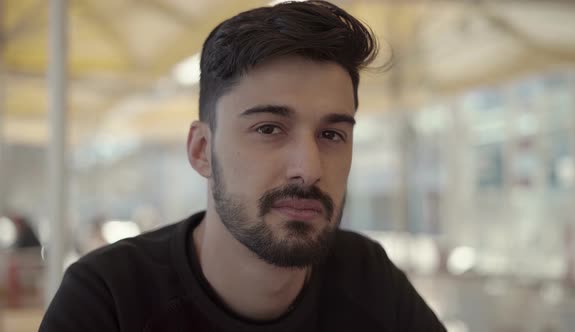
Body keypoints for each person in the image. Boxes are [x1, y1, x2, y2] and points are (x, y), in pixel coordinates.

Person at [40, 1, 446, 331]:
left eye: (332, 135)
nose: (309, 168)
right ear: (201, 150)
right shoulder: (110, 298)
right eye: (269, 128)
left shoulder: (368, 278)